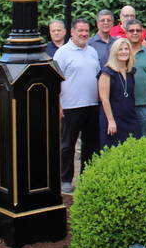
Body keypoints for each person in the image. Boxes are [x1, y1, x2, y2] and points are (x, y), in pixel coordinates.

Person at [55, 18, 101, 194]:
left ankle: (86, 176)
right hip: (70, 107)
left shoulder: (92, 51)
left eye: (86, 31)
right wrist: (58, 105)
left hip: (92, 104)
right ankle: (66, 180)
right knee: (68, 145)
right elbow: (55, 81)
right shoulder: (63, 53)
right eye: (80, 31)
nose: (83, 34)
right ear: (72, 32)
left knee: (90, 145)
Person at [98, 38, 141, 149]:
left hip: (130, 117)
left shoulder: (130, 71)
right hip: (113, 118)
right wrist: (111, 121)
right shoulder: (107, 72)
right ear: (114, 52)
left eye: (126, 49)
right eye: (120, 49)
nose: (124, 52)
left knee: (134, 149)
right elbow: (104, 99)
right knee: (113, 151)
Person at [121, 19, 146, 137]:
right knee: (123, 139)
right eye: (131, 30)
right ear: (126, 33)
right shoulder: (120, 53)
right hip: (123, 106)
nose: (135, 33)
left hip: (144, 106)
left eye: (138, 30)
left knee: (144, 138)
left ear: (142, 33)